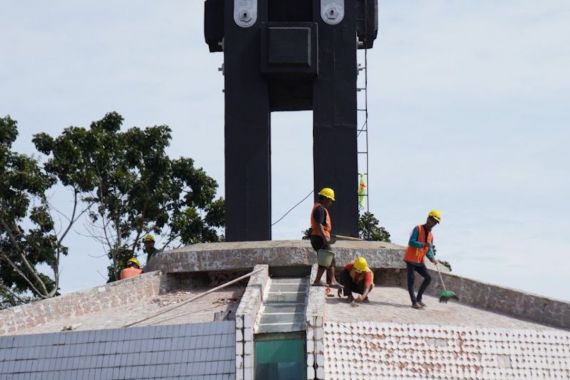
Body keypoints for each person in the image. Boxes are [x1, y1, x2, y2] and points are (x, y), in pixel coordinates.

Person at [404, 210, 441, 309]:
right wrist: (423, 244)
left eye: (435, 223)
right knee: (411, 281)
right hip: (411, 259)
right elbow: (411, 242)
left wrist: (432, 258)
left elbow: (428, 251)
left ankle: (419, 298)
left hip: (419, 261)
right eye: (432, 221)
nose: (433, 224)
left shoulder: (431, 236)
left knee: (428, 278)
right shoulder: (418, 228)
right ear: (428, 218)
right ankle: (414, 302)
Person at [310, 187, 342, 288]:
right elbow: (319, 225)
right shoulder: (320, 209)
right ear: (325, 199)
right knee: (327, 259)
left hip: (318, 237)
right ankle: (322, 280)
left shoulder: (318, 208)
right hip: (319, 238)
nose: (331, 203)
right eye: (330, 200)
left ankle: (329, 280)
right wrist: (325, 238)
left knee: (328, 259)